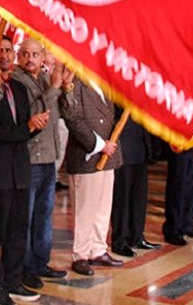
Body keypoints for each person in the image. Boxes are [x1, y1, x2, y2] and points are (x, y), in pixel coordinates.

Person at [0, 37, 40, 304]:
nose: (5, 55)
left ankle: (14, 280)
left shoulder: (18, 86)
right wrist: (25, 128)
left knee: (19, 228)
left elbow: (24, 127)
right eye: (0, 51)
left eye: (8, 50)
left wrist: (33, 125)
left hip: (21, 168)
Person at [10, 39, 71, 289]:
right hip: (29, 158)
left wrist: (64, 88)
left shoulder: (45, 78)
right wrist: (54, 88)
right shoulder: (15, 81)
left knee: (44, 216)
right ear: (18, 56)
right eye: (25, 54)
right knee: (26, 216)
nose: (30, 59)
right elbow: (34, 113)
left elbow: (60, 112)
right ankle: (23, 267)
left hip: (49, 158)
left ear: (43, 55)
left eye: (35, 54)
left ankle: (40, 262)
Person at [62, 78, 124, 276]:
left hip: (108, 155)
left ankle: (98, 249)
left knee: (103, 207)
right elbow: (73, 118)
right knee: (85, 209)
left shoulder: (106, 83)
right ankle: (80, 254)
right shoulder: (75, 82)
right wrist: (99, 145)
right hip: (87, 155)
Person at [109, 118, 161, 257]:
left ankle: (136, 237)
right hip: (124, 147)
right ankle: (120, 241)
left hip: (140, 146)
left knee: (139, 198)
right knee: (122, 198)